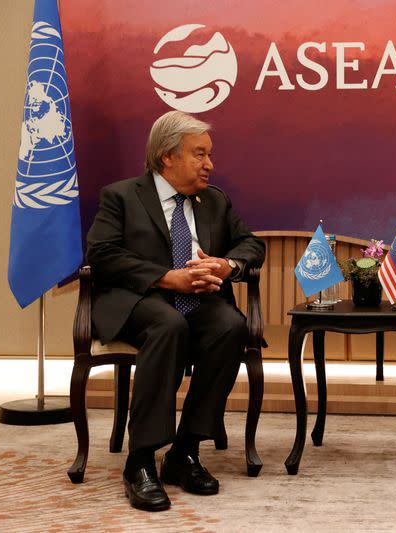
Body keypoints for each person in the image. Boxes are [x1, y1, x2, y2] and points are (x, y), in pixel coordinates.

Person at [86, 111, 266, 512]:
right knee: (167, 325)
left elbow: (251, 245)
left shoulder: (215, 200)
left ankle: (184, 453)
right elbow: (101, 254)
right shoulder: (122, 196)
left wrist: (226, 266)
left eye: (209, 154)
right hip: (139, 301)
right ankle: (140, 461)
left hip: (198, 303)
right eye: (199, 154)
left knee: (230, 326)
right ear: (168, 156)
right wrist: (168, 278)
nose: (210, 164)